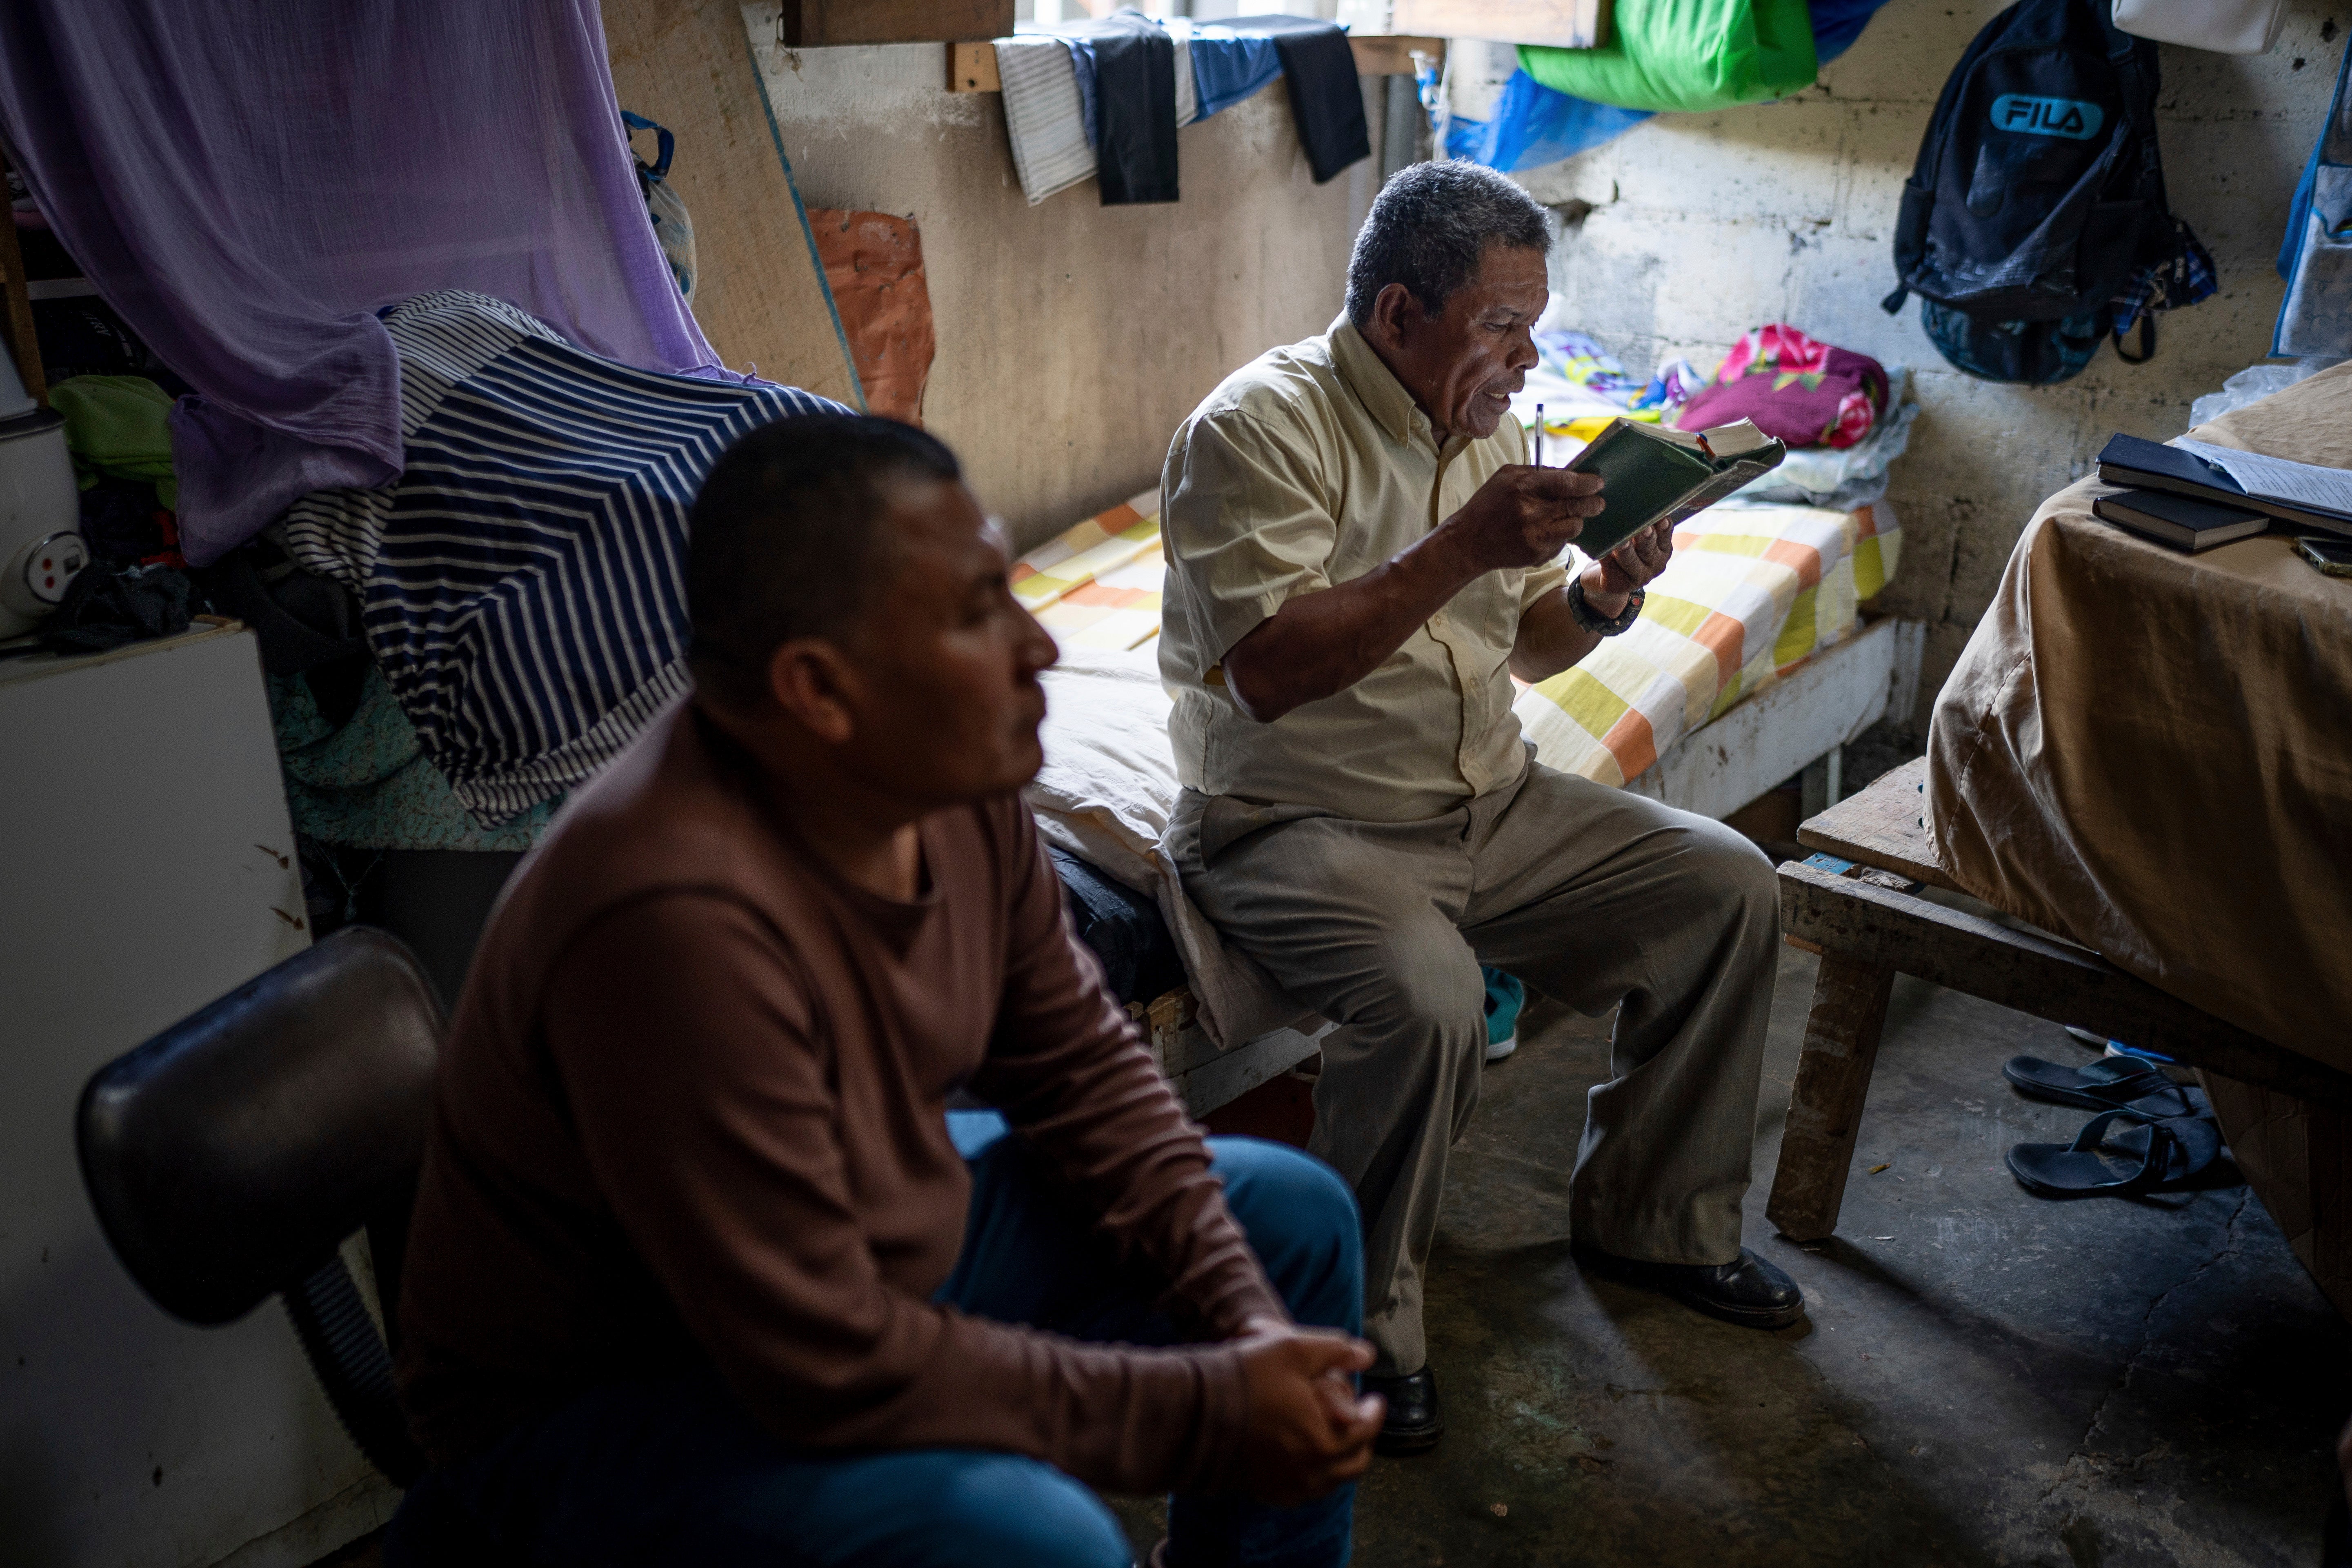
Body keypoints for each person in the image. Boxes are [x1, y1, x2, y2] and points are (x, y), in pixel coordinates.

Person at [386, 414, 1384, 1568]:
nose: (1038, 646)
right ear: (819, 687)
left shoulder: (949, 787)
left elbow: (1079, 1072)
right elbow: (825, 1361)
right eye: (972, 613)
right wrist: (1207, 1407)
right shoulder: (667, 920)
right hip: (608, 1399)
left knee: (1286, 1229)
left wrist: (1247, 1333)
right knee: (1039, 1542)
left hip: (851, 1254)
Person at [1156, 159, 1801, 1457]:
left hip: (1489, 805)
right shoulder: (1256, 429)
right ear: (1400, 314)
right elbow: (1272, 673)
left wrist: (1606, 594)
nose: (1525, 350)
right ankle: (1353, 1333)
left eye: (1533, 318)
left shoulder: (1492, 426)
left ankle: (1652, 1222)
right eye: (1500, 321)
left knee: (1728, 882)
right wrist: (1460, 542)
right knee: (1429, 994)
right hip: (1300, 819)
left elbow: (1521, 648)